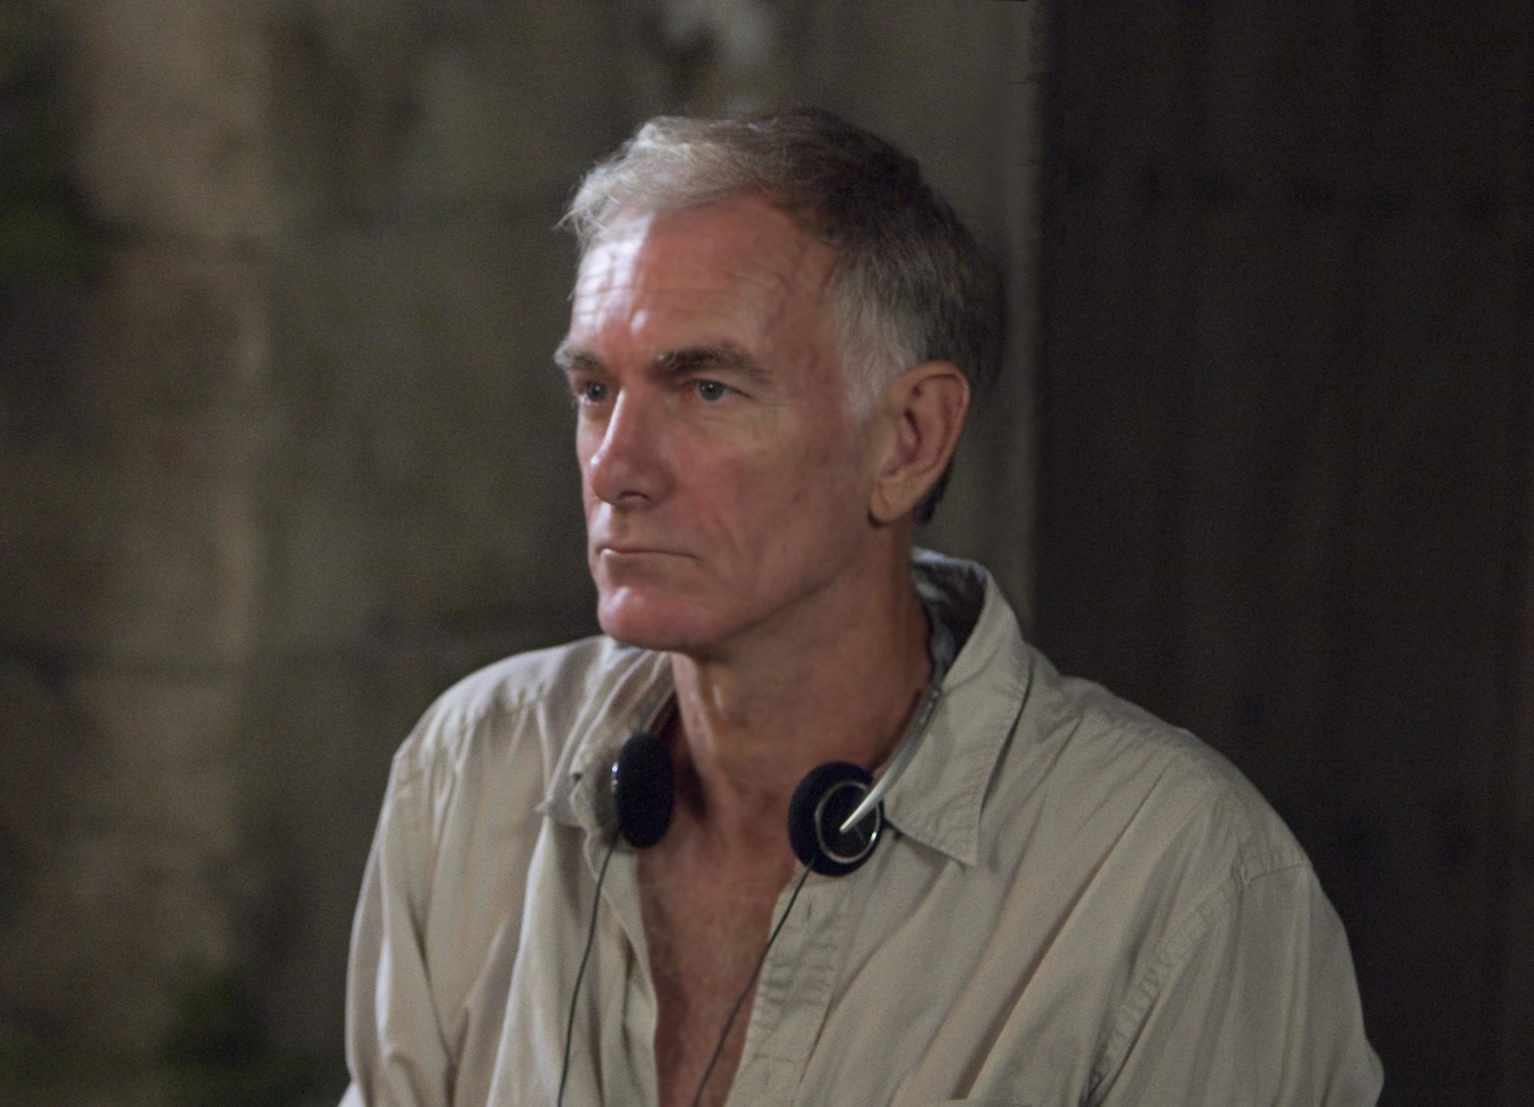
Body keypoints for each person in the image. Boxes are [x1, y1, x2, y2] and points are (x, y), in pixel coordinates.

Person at [338, 108, 1382, 1106]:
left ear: (908, 440)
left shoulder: (1176, 879)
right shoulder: (472, 767)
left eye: (706, 389)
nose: (615, 468)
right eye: (594, 392)